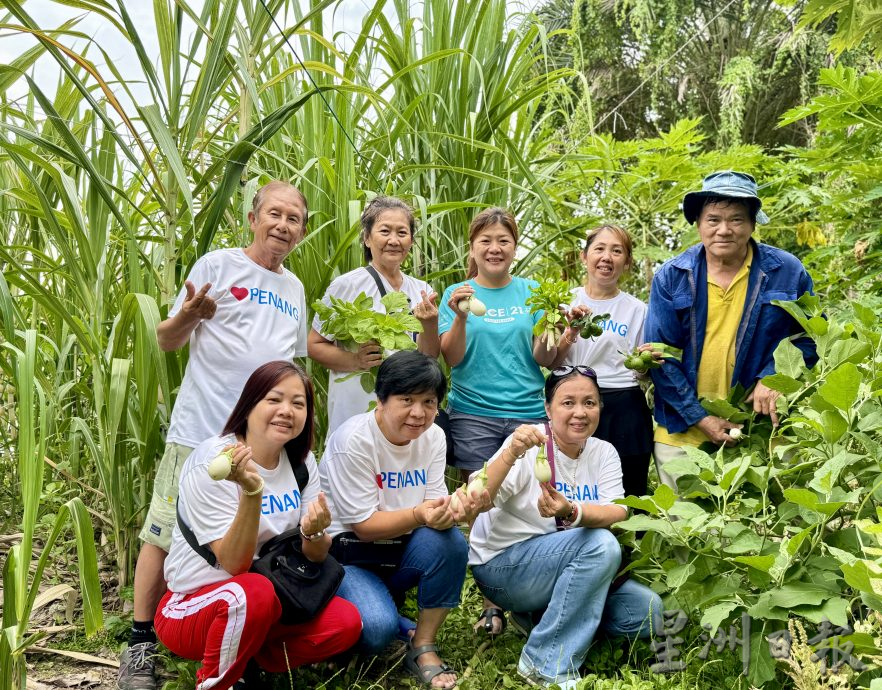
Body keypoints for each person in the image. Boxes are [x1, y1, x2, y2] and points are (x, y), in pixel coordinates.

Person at [119, 182, 311, 690]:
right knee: (163, 530)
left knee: (244, 535)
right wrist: (188, 315)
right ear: (253, 218)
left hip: (256, 441)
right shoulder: (218, 266)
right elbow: (166, 339)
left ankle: (231, 639)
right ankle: (140, 643)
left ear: (303, 231)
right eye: (275, 214)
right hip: (199, 429)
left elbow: (288, 366)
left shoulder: (294, 290)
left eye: (294, 219)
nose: (283, 225)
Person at [155, 361, 361, 690]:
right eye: (274, 400)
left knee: (347, 622)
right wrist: (252, 491)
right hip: (193, 608)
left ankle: (246, 655)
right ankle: (216, 682)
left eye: (298, 403)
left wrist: (316, 531)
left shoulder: (301, 462)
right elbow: (235, 564)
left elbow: (317, 555)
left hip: (269, 600)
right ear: (249, 404)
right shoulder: (215, 463)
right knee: (252, 593)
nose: (286, 411)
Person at [468, 366, 663, 690]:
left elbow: (618, 510)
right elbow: (480, 495)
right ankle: (544, 664)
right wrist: (512, 451)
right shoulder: (528, 444)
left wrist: (572, 511)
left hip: (562, 566)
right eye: (568, 402)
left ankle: (541, 618)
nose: (580, 412)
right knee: (600, 544)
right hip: (503, 570)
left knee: (649, 613)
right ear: (548, 408)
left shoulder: (604, 452)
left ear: (601, 407)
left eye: (590, 403)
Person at [319, 351, 484, 689]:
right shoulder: (354, 442)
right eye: (406, 399)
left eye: (428, 401)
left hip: (401, 548)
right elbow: (363, 527)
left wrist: (453, 511)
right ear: (380, 399)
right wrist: (419, 515)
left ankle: (422, 644)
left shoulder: (434, 436)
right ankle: (387, 617)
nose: (418, 413)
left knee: (451, 543)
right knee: (376, 631)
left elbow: (431, 504)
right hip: (349, 557)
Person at [645, 171, 816, 487]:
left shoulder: (788, 272)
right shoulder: (671, 277)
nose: (724, 230)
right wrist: (702, 418)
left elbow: (809, 336)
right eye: (713, 220)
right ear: (698, 223)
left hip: (764, 428)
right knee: (683, 531)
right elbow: (660, 357)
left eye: (736, 220)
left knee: (769, 525)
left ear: (753, 224)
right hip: (684, 432)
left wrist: (774, 375)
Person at [438, 208, 562, 484]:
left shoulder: (533, 292)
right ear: (471, 249)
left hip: (528, 414)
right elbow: (453, 359)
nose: (495, 248)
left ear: (515, 248)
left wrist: (550, 324)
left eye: (503, 241)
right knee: (478, 500)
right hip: (473, 416)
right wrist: (460, 316)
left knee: (530, 497)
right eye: (485, 241)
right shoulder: (456, 293)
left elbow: (544, 358)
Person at [308, 196, 440, 432]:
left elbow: (427, 358)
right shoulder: (347, 285)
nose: (393, 240)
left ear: (411, 240)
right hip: (354, 411)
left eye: (402, 232)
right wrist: (355, 360)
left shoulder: (422, 290)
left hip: (404, 418)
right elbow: (314, 345)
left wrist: (429, 324)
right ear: (367, 238)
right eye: (384, 231)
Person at [552, 224, 654, 498]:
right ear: (584, 256)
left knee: (629, 490)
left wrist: (645, 363)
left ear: (627, 262)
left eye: (616, 251)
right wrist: (570, 331)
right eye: (599, 249)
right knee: (573, 483)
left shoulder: (638, 310)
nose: (607, 257)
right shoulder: (564, 303)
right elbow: (551, 362)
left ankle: (630, 541)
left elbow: (643, 372)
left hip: (625, 406)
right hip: (574, 401)